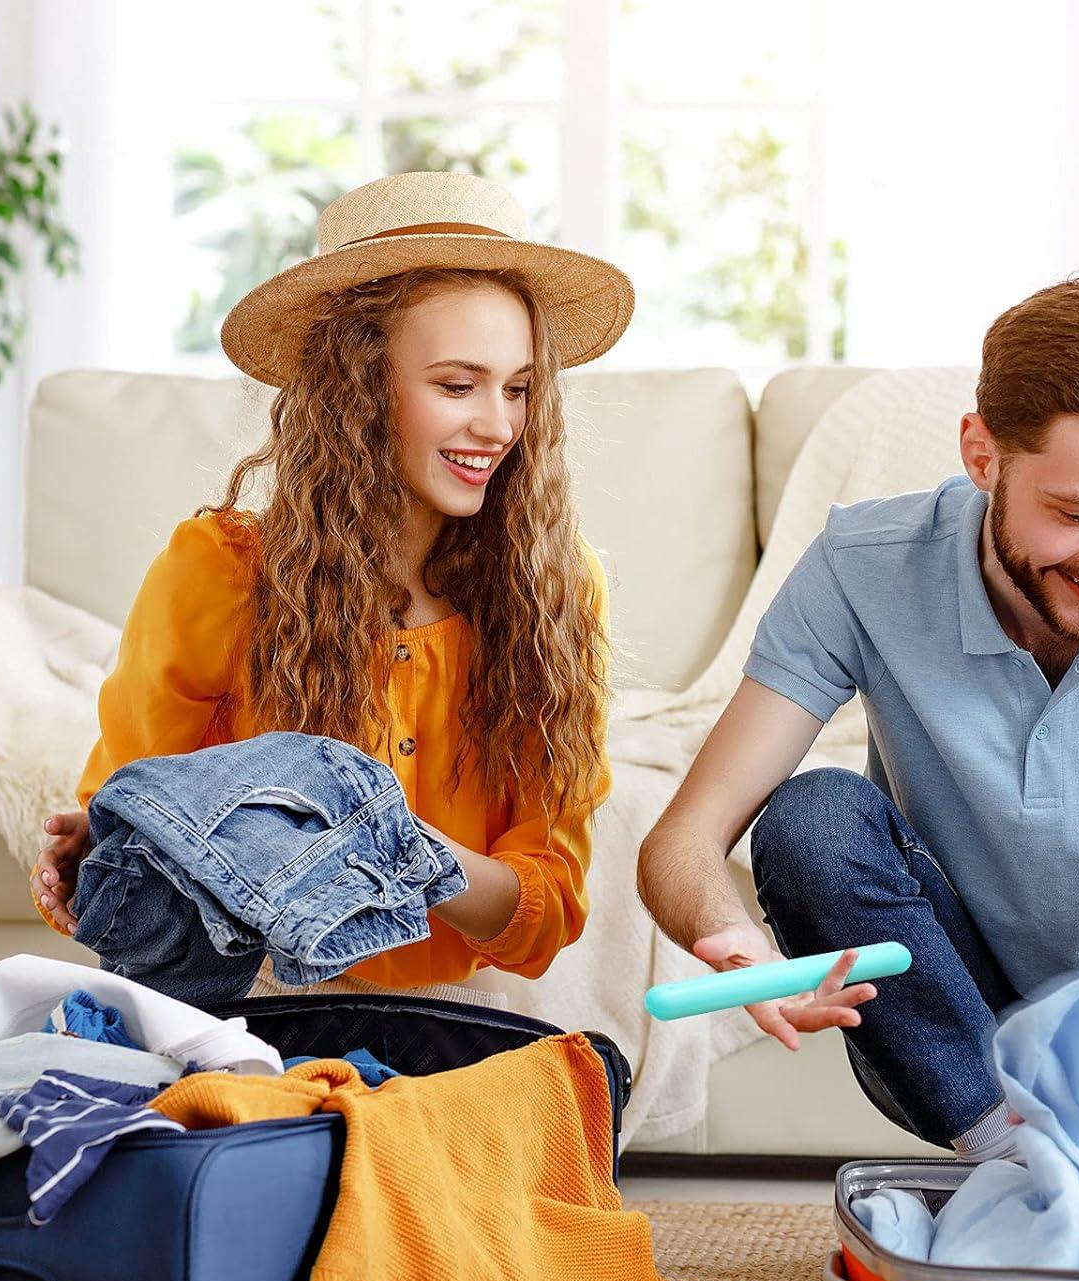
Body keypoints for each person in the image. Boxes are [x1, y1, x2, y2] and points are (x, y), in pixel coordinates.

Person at [637, 277, 1079, 1157]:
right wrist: (741, 951)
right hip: (960, 1001)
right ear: (982, 456)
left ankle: (1054, 1174)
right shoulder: (862, 568)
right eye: (1078, 513)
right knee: (813, 816)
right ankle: (1005, 1147)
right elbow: (682, 840)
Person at [31, 170, 635, 996]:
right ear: (359, 386)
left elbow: (546, 911)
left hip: (458, 1013)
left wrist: (388, 840)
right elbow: (128, 815)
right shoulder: (220, 572)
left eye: (519, 389)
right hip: (261, 1004)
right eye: (457, 385)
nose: (499, 424)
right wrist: (103, 848)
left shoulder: (554, 590)